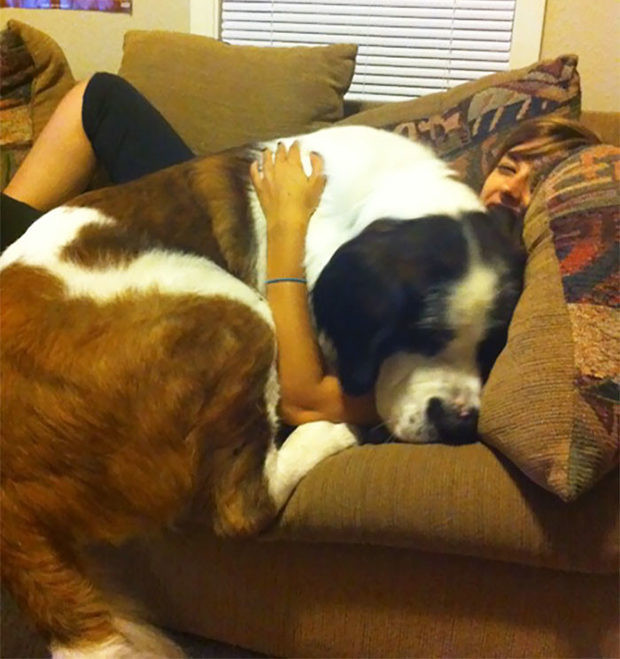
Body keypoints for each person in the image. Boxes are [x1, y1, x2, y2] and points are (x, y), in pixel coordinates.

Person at [0, 74, 602, 427]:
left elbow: (305, 397)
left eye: (537, 184)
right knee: (100, 95)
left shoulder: (522, 279)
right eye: (510, 166)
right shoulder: (433, 204)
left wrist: (287, 224)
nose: (511, 190)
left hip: (262, 227)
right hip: (242, 194)